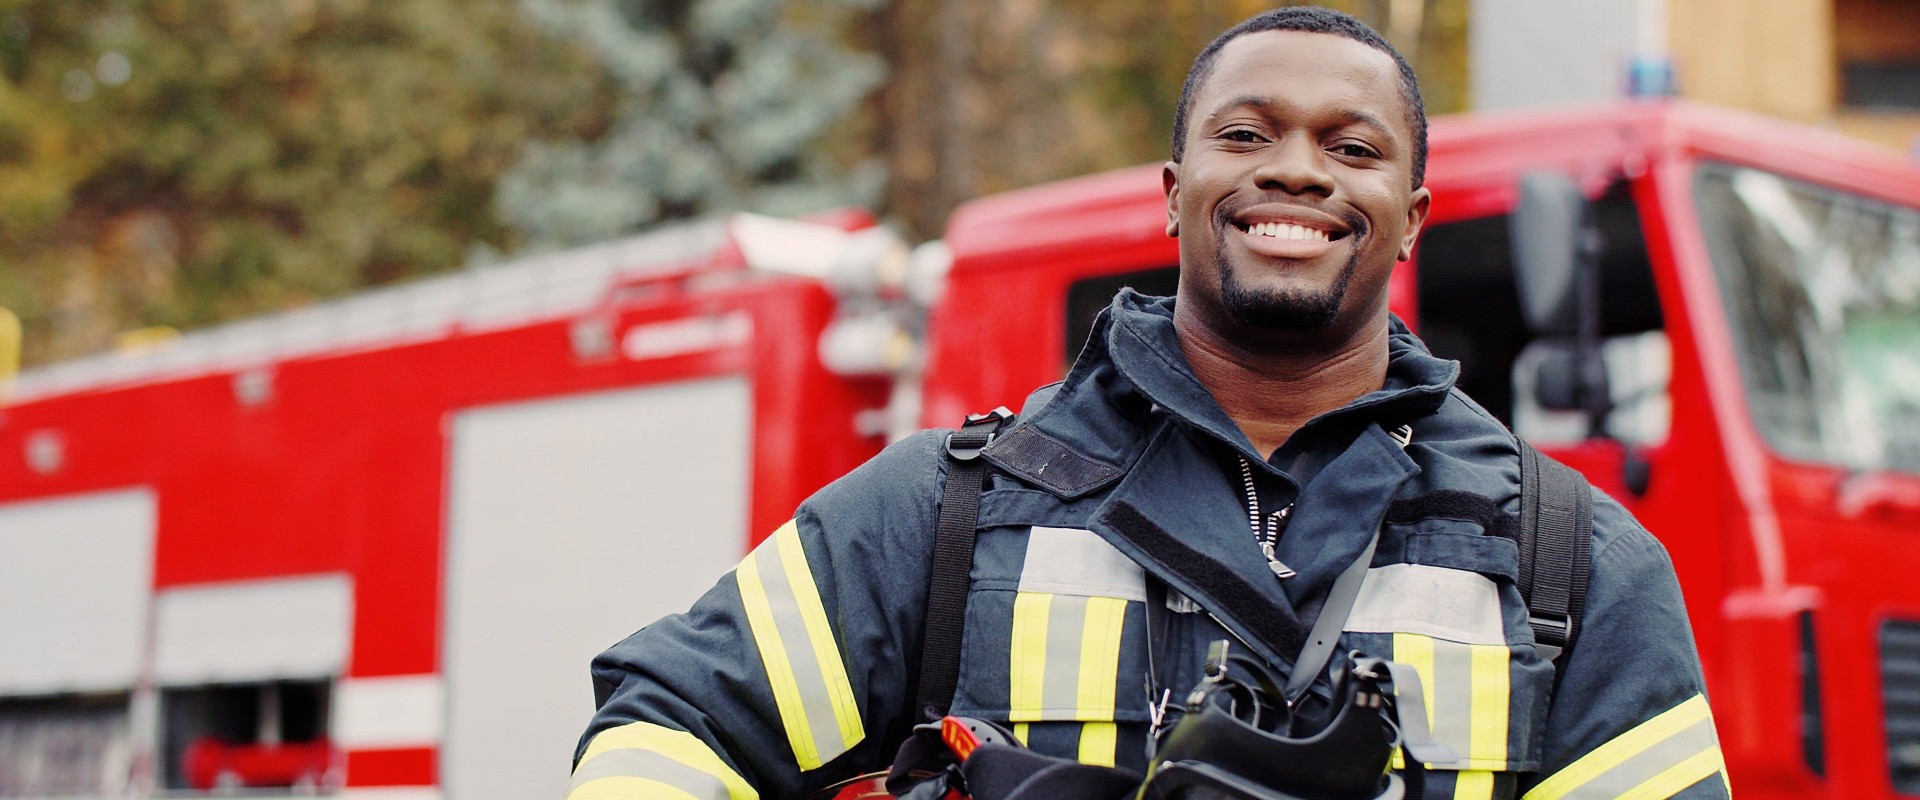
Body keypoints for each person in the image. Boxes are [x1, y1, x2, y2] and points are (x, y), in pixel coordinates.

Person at [566, 7, 1729, 800]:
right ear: (1176, 197)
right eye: (1246, 134)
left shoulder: (1569, 560)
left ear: (1413, 214)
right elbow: (667, 724)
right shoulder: (943, 515)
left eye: (1352, 146)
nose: (1298, 170)